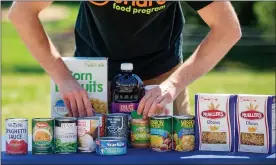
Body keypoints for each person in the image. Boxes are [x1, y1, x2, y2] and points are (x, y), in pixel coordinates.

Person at [8, 1, 241, 119]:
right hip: (92, 83)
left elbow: (227, 29)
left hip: (161, 84)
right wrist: (63, 77)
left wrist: (174, 84)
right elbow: (21, 12)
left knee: (168, 155)